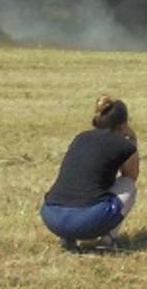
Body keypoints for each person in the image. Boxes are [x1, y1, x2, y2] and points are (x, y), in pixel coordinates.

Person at [41, 95, 140, 251]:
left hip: (51, 216)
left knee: (81, 182)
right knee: (128, 184)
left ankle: (67, 238)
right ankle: (107, 241)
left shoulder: (80, 138)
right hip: (87, 221)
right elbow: (131, 176)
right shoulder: (123, 144)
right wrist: (132, 142)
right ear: (123, 125)